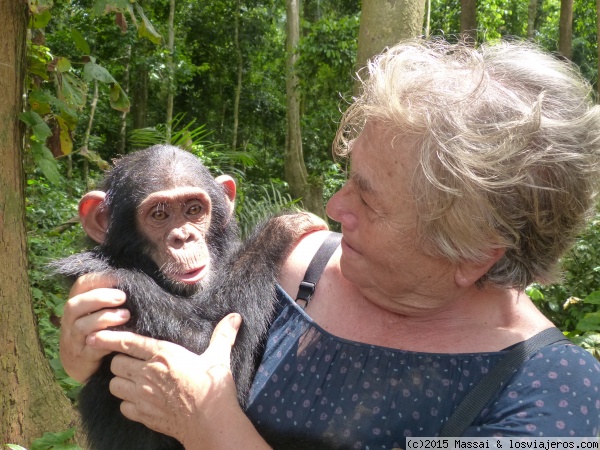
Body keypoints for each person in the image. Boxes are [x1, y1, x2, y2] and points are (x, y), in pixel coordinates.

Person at [60, 38, 600, 449]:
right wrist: (90, 343)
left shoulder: (550, 399)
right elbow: (163, 339)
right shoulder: (299, 262)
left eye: (369, 200)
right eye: (349, 177)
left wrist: (212, 426)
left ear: (474, 251)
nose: (334, 209)